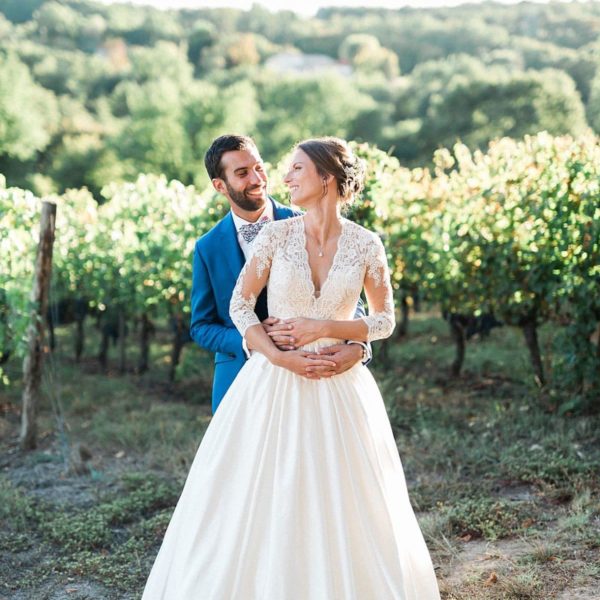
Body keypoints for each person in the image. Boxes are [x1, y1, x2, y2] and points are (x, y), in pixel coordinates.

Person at [142, 137, 441, 599]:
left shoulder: (363, 242)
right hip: (265, 383)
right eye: (245, 173)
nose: (269, 178)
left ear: (326, 177)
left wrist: (344, 341)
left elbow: (381, 318)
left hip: (338, 386)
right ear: (222, 185)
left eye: (282, 168)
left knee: (341, 495)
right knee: (250, 497)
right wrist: (274, 351)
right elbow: (225, 313)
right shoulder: (239, 242)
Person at [189, 134, 369, 413]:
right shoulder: (207, 248)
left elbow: (348, 295)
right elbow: (201, 326)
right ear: (220, 186)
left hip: (313, 373)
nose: (257, 178)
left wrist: (359, 346)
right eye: (242, 173)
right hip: (238, 374)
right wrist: (253, 339)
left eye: (259, 167)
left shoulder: (307, 220)